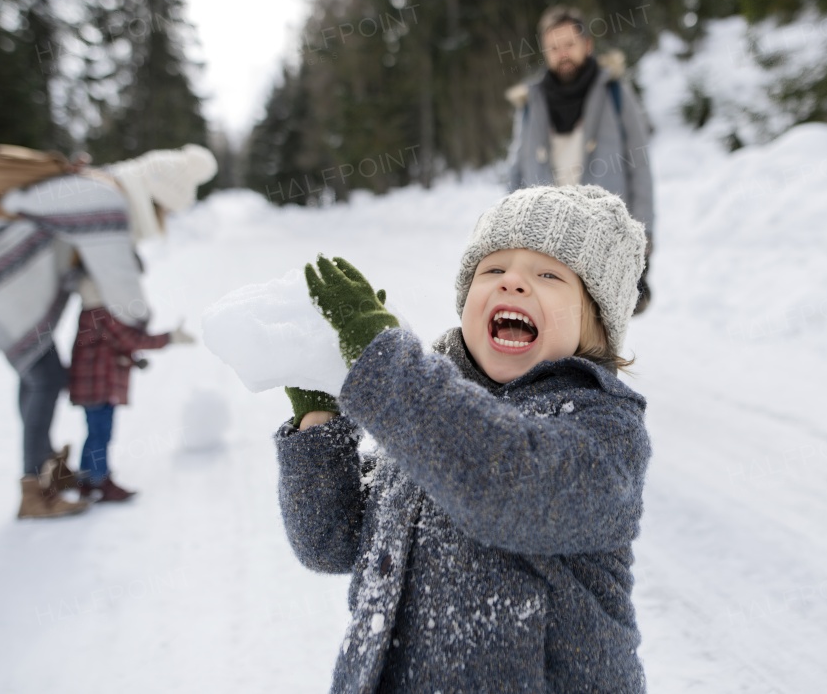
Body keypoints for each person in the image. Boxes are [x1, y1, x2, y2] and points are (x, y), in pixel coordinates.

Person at [276, 185, 651, 692]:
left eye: (548, 274)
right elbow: (332, 543)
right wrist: (320, 422)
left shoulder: (603, 428)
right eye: (492, 270)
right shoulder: (427, 409)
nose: (513, 283)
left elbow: (505, 486)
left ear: (597, 324)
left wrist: (390, 372)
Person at [0, 144, 217, 519]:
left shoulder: (96, 186)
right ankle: (35, 488)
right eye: (164, 210)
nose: (161, 220)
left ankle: (43, 471)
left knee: (40, 377)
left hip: (1, 282)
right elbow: (119, 280)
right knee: (44, 380)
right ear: (154, 197)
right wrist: (141, 327)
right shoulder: (106, 199)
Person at [506, 4, 656, 313]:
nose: (562, 54)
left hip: (605, 235)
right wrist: (510, 231)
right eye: (553, 47)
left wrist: (645, 233)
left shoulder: (614, 92)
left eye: (570, 44)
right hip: (546, 236)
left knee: (600, 326)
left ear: (587, 45)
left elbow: (639, 165)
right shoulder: (531, 102)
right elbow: (516, 171)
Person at [68, 271, 195, 502]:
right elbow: (131, 339)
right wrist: (170, 338)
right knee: (100, 433)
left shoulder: (90, 314)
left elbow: (112, 345)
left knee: (94, 432)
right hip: (98, 386)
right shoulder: (102, 314)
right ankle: (98, 480)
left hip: (90, 385)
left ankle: (87, 480)